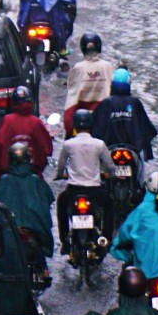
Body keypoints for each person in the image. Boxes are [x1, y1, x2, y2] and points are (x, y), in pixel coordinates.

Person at [54, 108, 117, 252]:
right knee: (109, 205)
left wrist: (59, 174)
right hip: (94, 190)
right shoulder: (99, 144)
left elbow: (61, 165)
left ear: (75, 125)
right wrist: (109, 174)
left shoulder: (68, 144)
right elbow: (110, 166)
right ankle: (106, 238)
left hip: (73, 190)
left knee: (61, 205)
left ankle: (65, 241)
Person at [0, 141, 55, 280]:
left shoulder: (2, 182)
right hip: (33, 231)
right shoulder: (37, 181)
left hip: (10, 232)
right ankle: (44, 269)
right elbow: (48, 200)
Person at [90, 69, 158, 161]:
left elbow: (95, 128)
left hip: (109, 151)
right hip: (133, 151)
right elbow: (146, 129)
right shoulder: (135, 103)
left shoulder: (106, 103)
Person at [0, 85, 53, 175]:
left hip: (8, 173)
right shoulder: (36, 122)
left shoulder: (7, 121)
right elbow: (47, 148)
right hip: (32, 172)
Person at [65, 33, 116, 136]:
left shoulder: (78, 68)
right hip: (105, 118)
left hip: (82, 120)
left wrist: (68, 128)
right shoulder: (108, 66)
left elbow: (72, 95)